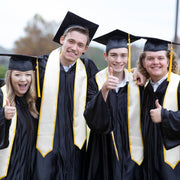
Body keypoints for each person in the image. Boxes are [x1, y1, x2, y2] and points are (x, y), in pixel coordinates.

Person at [34, 11, 99, 180]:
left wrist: (137, 73)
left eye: (80, 45)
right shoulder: (40, 66)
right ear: (62, 40)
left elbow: (109, 84)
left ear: (85, 49)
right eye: (71, 41)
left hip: (74, 146)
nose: (74, 48)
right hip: (45, 145)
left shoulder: (88, 69)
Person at [84, 29, 144, 180]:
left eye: (123, 55)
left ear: (128, 56)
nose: (119, 60)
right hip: (102, 149)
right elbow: (91, 119)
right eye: (114, 55)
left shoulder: (137, 82)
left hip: (131, 150)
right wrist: (104, 90)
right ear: (106, 56)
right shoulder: (95, 81)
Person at [137, 37, 180, 179]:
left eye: (160, 58)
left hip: (173, 167)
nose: (155, 62)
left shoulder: (178, 84)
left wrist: (165, 116)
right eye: (150, 58)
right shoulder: (142, 88)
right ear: (143, 62)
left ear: (168, 61)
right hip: (147, 166)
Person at [0, 54, 39, 180]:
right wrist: (3, 116)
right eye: (18, 74)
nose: (23, 79)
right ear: (10, 76)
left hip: (27, 170)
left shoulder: (32, 103)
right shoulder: (1, 96)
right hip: (7, 171)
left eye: (28, 75)